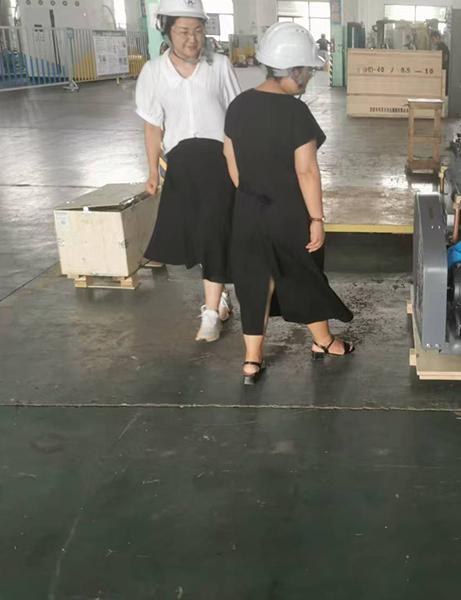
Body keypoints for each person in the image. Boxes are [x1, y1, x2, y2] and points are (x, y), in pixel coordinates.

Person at [224, 22, 354, 385]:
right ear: (294, 71)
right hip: (288, 214)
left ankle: (252, 361)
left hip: (247, 211)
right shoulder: (296, 113)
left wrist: (251, 194)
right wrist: (317, 219)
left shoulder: (238, 104)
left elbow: (229, 157)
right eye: (308, 70)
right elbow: (307, 171)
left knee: (253, 281)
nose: (310, 77)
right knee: (303, 273)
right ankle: (324, 342)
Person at [135, 0, 241, 342]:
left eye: (197, 30)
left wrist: (239, 167)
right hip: (181, 165)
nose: (192, 39)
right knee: (197, 234)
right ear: (167, 32)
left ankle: (210, 313)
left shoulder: (219, 66)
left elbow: (236, 118)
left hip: (219, 163)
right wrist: (153, 172)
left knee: (213, 232)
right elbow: (153, 126)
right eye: (183, 31)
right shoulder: (153, 72)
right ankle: (220, 297)